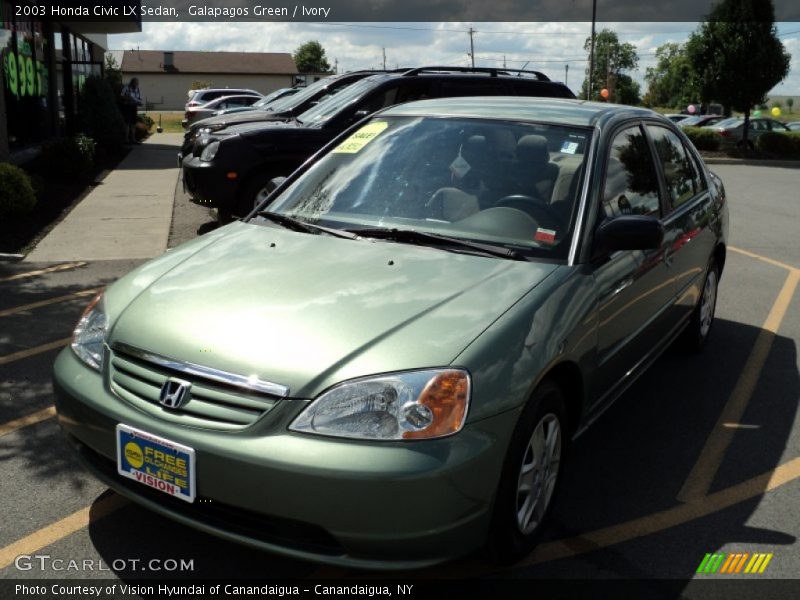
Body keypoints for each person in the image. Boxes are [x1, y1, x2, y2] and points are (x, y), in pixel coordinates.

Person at [120, 78, 143, 144]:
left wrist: (140, 102)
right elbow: (121, 96)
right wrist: (127, 98)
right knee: (127, 123)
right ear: (132, 82)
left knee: (133, 124)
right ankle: (126, 140)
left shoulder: (137, 89)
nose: (137, 84)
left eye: (137, 83)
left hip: (134, 107)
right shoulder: (126, 88)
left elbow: (139, 98)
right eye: (136, 83)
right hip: (127, 107)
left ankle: (133, 140)